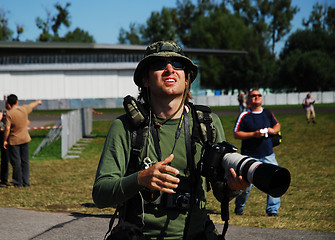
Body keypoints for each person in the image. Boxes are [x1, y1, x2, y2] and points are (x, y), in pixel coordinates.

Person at [92, 41, 249, 239]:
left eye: (177, 64)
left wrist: (233, 187)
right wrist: (140, 179)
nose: (169, 69)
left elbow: (220, 191)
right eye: (159, 64)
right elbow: (100, 194)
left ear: (187, 79)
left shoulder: (207, 125)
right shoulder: (124, 127)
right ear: (145, 80)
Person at [233, 89, 281, 217]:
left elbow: (277, 126)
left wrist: (272, 130)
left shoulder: (267, 113)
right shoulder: (244, 115)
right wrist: (254, 134)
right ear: (248, 100)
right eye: (253, 96)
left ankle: (272, 210)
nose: (256, 97)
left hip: (268, 155)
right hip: (250, 155)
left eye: (259, 95)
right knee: (246, 185)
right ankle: (239, 207)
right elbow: (236, 134)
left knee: (274, 181)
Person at [3, 94, 42, 187]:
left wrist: (5, 140)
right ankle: (26, 182)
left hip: (14, 140)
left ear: (8, 103)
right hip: (25, 138)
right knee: (25, 161)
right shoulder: (23, 109)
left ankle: (17, 182)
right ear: (17, 102)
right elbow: (31, 105)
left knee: (16, 162)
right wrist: (38, 102)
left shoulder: (9, 114)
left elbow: (7, 128)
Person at [0, 98, 10, 187]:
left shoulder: (8, 114)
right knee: (5, 159)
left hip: (4, 136)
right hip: (3, 136)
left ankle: (4, 179)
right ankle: (4, 179)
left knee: (5, 159)